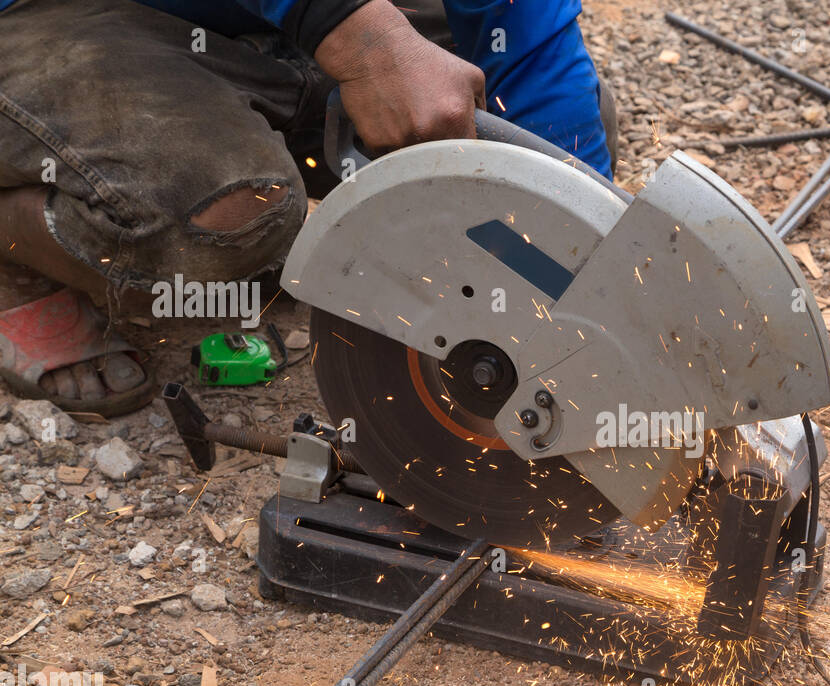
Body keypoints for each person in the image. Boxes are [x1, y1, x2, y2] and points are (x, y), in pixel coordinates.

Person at [0, 0, 615, 415]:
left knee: (509, 127)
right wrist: (356, 35)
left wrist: (579, 271)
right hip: (52, 15)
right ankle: (20, 243)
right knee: (225, 213)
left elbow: (527, 38)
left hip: (254, 22)